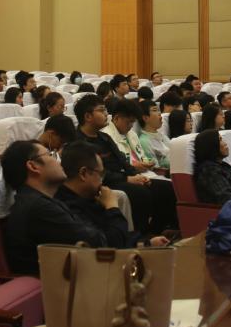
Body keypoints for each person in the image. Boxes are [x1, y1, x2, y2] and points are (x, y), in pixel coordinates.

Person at [1, 139, 128, 275]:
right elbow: (103, 247)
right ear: (33, 166)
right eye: (51, 155)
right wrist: (112, 207)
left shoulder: (42, 201)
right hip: (58, 285)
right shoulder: (39, 209)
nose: (59, 161)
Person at [75, 94, 177, 236]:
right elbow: (97, 173)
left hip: (120, 177)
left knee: (167, 188)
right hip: (103, 183)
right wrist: (127, 179)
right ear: (88, 116)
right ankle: (139, 235)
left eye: (106, 110)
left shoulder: (104, 137)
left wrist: (137, 176)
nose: (106, 114)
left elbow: (122, 161)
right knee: (141, 194)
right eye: (101, 110)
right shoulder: (78, 142)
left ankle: (157, 230)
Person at [53, 142, 133, 250]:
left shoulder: (86, 197)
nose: (102, 180)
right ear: (83, 173)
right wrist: (112, 207)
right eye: (101, 174)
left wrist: (147, 243)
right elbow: (112, 246)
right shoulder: (68, 208)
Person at [137, 100, 170, 169]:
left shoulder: (163, 136)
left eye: (159, 110)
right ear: (145, 118)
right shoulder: (144, 141)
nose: (159, 113)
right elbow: (155, 168)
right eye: (155, 110)